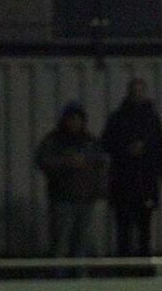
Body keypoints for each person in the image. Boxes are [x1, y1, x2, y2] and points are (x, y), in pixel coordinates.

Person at [101, 78, 162, 256]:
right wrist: (126, 149)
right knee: (123, 227)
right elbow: (106, 144)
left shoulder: (151, 119)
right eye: (135, 90)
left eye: (141, 90)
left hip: (145, 181)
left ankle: (143, 267)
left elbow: (159, 148)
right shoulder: (118, 118)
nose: (138, 94)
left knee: (144, 227)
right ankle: (124, 266)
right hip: (123, 180)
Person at [35, 101, 108, 257]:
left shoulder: (90, 141)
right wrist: (65, 162)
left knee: (81, 240)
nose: (74, 122)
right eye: (71, 119)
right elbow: (42, 161)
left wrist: (86, 164)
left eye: (77, 119)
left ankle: (79, 277)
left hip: (85, 198)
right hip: (62, 198)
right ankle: (59, 277)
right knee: (60, 240)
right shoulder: (54, 140)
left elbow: (101, 164)